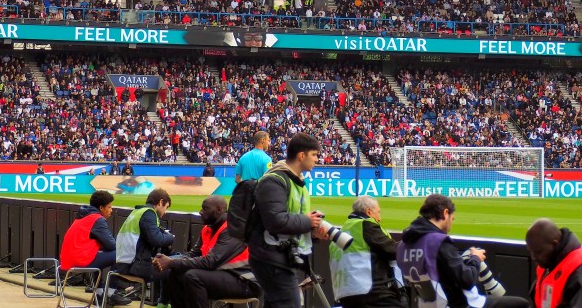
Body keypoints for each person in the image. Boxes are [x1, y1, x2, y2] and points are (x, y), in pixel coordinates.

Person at [398, 195, 527, 308]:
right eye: (452, 219)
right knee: (522, 304)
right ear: (445, 213)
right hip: (458, 304)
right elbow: (467, 279)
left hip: (427, 304)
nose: (451, 226)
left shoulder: (403, 245)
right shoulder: (438, 241)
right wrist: (475, 258)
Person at [247, 132, 326, 308]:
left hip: (281, 255)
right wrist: (308, 222)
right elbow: (275, 221)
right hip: (271, 256)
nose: (317, 159)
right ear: (301, 155)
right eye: (314, 155)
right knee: (289, 303)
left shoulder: (297, 181)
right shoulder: (274, 181)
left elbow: (292, 217)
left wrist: (312, 232)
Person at [154, 196, 259, 308]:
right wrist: (169, 261)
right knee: (174, 273)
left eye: (205, 209)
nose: (200, 212)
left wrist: (171, 262)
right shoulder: (207, 229)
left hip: (244, 281)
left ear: (219, 210)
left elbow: (210, 262)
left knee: (193, 276)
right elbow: (192, 254)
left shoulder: (231, 229)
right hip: (222, 276)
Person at [328, 196, 404, 308]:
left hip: (344, 296)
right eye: (378, 212)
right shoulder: (366, 225)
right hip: (373, 294)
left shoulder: (339, 235)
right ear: (369, 211)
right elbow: (392, 250)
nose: (379, 218)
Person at [60, 190, 130, 307]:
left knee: (99, 253)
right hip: (80, 260)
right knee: (120, 253)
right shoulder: (97, 219)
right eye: (110, 207)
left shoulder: (83, 216)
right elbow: (112, 245)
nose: (111, 210)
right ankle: (111, 293)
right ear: (101, 208)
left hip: (69, 260)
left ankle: (99, 294)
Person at [526, 218, 582, 308]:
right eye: (531, 252)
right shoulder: (545, 265)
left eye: (538, 252)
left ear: (555, 244)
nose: (534, 257)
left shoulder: (581, 266)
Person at [113, 188, 175, 290]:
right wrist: (170, 238)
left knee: (164, 262)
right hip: (134, 268)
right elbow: (157, 240)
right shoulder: (149, 213)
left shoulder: (137, 212)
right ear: (160, 202)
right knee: (173, 268)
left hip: (122, 265)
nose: (166, 212)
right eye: (166, 207)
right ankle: (162, 302)